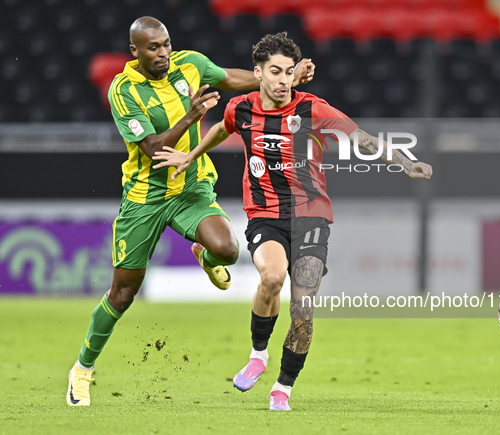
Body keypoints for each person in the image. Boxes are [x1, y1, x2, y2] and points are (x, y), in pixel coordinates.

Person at [152, 32, 433, 411]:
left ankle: (283, 387)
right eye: (275, 72)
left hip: (312, 214)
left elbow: (361, 138)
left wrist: (404, 162)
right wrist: (191, 155)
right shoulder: (242, 108)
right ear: (259, 73)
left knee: (302, 305)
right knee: (272, 278)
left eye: (288, 72)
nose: (283, 79)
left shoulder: (312, 109)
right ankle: (258, 354)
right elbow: (222, 128)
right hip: (266, 214)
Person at [66, 17, 315, 407]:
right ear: (136, 51)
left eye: (166, 44)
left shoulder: (190, 63)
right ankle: (82, 369)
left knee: (229, 250)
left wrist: (285, 78)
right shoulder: (124, 89)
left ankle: (204, 252)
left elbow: (232, 79)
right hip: (145, 198)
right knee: (122, 294)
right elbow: (153, 149)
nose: (163, 52)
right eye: (153, 47)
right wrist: (191, 117)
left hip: (190, 188)